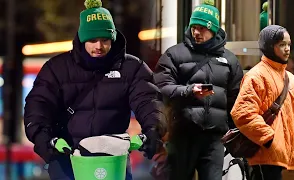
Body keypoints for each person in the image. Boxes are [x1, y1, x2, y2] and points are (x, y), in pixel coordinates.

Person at [23, 0, 166, 179]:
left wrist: (153, 130)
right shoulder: (56, 69)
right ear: (82, 39)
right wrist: (43, 138)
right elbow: (38, 105)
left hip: (113, 159)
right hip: (67, 157)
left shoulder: (132, 68)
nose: (99, 46)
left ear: (112, 39)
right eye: (92, 40)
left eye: (104, 40)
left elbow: (148, 101)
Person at [154, 0, 243, 179]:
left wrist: (234, 132)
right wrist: (188, 91)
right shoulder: (174, 54)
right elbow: (161, 87)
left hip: (214, 138)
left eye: (202, 28)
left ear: (214, 30)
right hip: (182, 135)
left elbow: (236, 98)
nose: (196, 32)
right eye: (194, 27)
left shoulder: (230, 60)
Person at [230, 25, 294, 180]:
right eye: (282, 44)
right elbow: (243, 113)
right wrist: (269, 140)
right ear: (269, 46)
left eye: (288, 44)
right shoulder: (256, 76)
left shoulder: (291, 79)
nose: (287, 49)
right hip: (263, 156)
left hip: (285, 157)